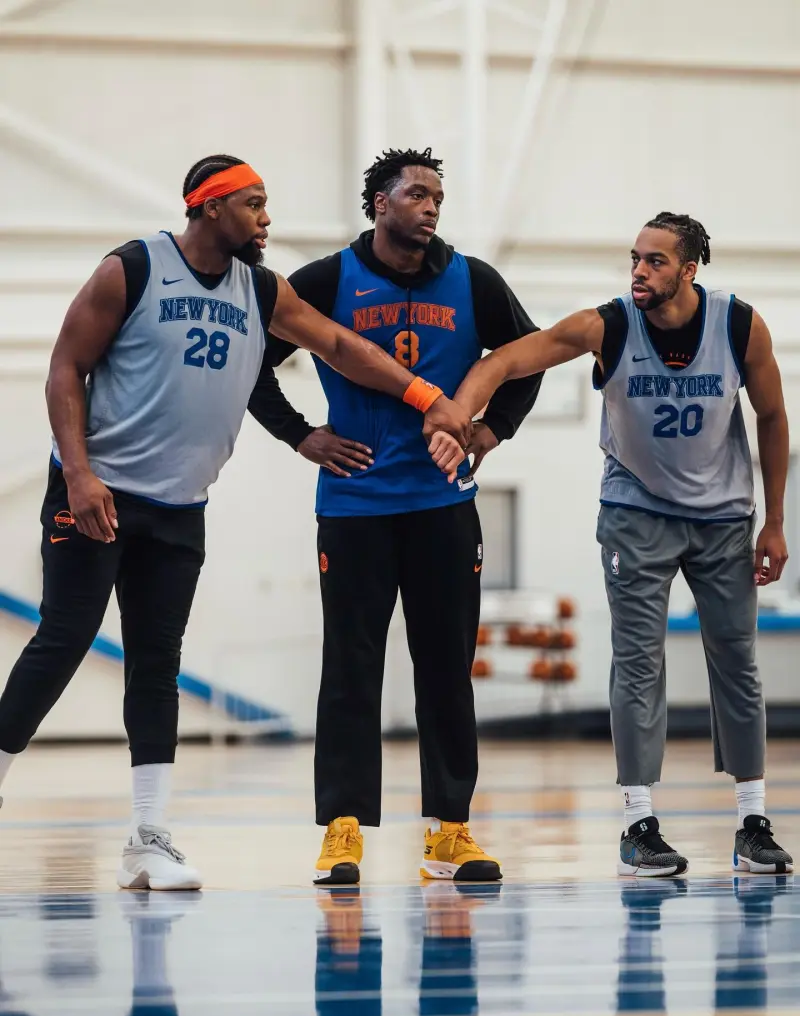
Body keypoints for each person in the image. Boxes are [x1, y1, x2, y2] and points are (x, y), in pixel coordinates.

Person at [0, 154, 471, 892]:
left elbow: (339, 345)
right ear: (210, 207)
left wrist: (423, 396)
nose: (266, 218)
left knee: (157, 664)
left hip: (180, 504)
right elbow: (66, 367)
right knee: (65, 639)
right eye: (254, 204)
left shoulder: (262, 288)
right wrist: (81, 474)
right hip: (98, 493)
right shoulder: (132, 269)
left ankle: (148, 839)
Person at [437, 211, 793, 877]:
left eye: (655, 261)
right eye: (635, 258)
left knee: (737, 663)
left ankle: (753, 822)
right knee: (638, 664)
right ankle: (638, 825)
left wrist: (774, 521)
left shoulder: (739, 325)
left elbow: (773, 417)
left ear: (689, 269)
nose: (639, 271)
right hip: (636, 512)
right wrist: (462, 413)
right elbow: (508, 358)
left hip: (723, 517)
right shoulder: (608, 326)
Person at [257, 147, 544, 885]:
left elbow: (526, 361)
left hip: (443, 506)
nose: (431, 206)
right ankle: (343, 830)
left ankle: (450, 831)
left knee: (446, 669)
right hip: (355, 505)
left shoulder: (474, 280)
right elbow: (252, 364)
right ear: (380, 203)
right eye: (417, 193)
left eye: (438, 196)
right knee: (350, 667)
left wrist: (489, 432)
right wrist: (301, 435)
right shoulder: (326, 280)